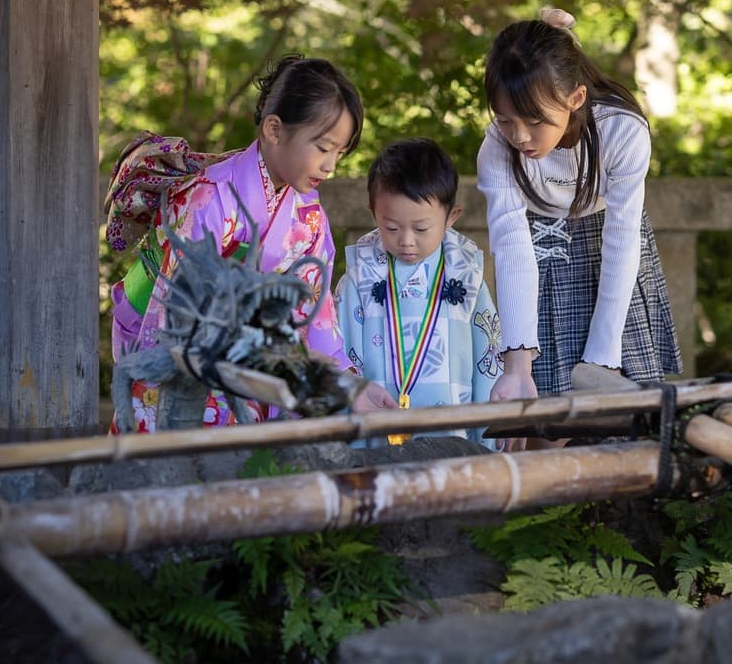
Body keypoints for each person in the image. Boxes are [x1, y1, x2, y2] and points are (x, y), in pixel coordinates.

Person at [107, 55, 396, 432]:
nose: (331, 166)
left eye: (339, 153)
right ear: (274, 130)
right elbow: (180, 319)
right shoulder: (208, 198)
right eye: (323, 148)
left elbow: (314, 314)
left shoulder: (308, 216)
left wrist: (346, 383)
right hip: (188, 357)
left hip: (252, 366)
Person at [478, 7, 681, 422]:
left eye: (535, 120)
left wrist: (604, 356)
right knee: (546, 415)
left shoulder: (622, 130)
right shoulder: (497, 147)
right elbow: (512, 249)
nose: (520, 136)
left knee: (628, 414)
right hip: (540, 244)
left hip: (612, 241)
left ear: (575, 99)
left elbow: (622, 240)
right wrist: (517, 367)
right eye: (506, 120)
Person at [336, 138, 503, 448]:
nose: (407, 241)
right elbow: (340, 354)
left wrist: (489, 441)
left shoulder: (468, 277)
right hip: (374, 435)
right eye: (392, 227)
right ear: (374, 213)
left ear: (451, 217)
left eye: (421, 229)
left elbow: (488, 361)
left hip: (452, 437)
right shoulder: (358, 278)